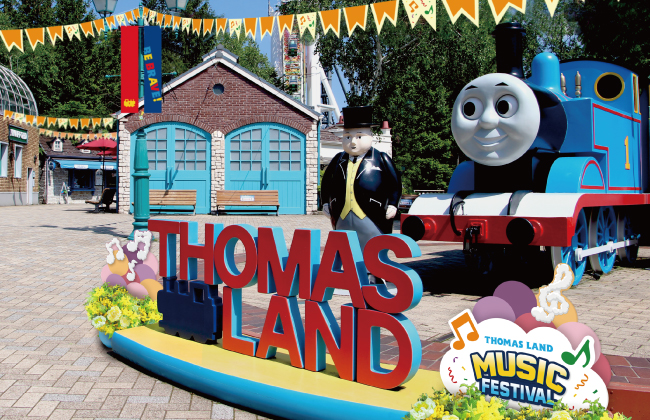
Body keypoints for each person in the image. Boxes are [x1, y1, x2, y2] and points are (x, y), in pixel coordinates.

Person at [320, 107, 401, 283]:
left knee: (373, 245)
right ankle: (350, 276)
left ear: (370, 136)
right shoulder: (338, 160)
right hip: (342, 213)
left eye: (359, 136)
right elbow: (326, 182)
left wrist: (393, 204)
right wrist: (325, 202)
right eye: (347, 137)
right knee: (346, 246)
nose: (352, 142)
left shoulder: (380, 158)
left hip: (372, 214)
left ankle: (377, 275)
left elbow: (394, 183)